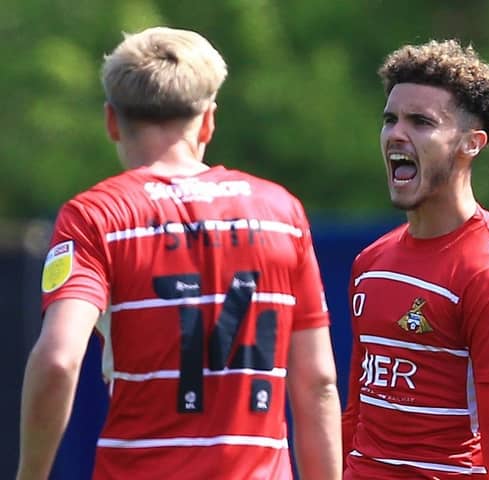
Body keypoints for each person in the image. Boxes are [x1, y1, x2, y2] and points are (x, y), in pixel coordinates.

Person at [17, 26, 341, 480]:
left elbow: (58, 358)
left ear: (112, 120)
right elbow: (318, 382)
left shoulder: (96, 216)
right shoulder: (280, 212)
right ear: (208, 120)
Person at [341, 39, 489, 479]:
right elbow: (355, 413)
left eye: (421, 122)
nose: (396, 133)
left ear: (471, 143)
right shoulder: (370, 264)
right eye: (390, 119)